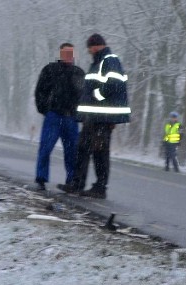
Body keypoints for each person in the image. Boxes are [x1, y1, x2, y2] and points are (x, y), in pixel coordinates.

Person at [57, 33, 131, 199]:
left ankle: (99, 187)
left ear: (96, 45)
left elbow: (114, 84)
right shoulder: (99, 61)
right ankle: (77, 184)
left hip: (102, 118)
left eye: (89, 48)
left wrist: (96, 94)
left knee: (100, 153)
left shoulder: (109, 60)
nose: (89, 52)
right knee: (82, 149)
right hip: (93, 117)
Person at [32, 42, 85, 191]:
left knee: (72, 152)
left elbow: (84, 96)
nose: (69, 56)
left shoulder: (79, 73)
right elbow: (40, 91)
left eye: (71, 53)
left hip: (71, 118)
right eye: (65, 53)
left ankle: (72, 180)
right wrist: (45, 109)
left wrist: (80, 115)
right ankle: (41, 178)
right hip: (53, 116)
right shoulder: (50, 70)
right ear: (60, 54)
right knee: (45, 148)